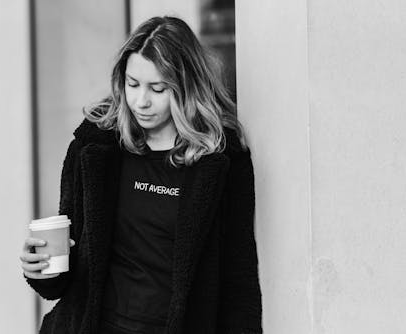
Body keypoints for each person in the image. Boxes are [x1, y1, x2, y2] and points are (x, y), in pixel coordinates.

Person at [20, 16, 262, 334]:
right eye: (132, 84)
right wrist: (42, 270)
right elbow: (72, 268)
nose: (140, 101)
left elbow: (238, 278)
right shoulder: (95, 147)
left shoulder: (219, 161)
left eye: (157, 88)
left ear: (186, 87)